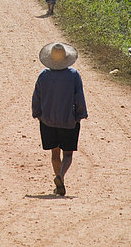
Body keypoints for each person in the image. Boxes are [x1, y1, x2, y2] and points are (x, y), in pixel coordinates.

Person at [32, 42, 88, 196]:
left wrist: (37, 114)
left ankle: (59, 185)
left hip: (47, 120)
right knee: (68, 154)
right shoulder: (73, 75)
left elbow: (36, 96)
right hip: (68, 121)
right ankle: (61, 177)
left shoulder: (44, 75)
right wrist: (80, 116)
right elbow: (79, 98)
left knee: (54, 153)